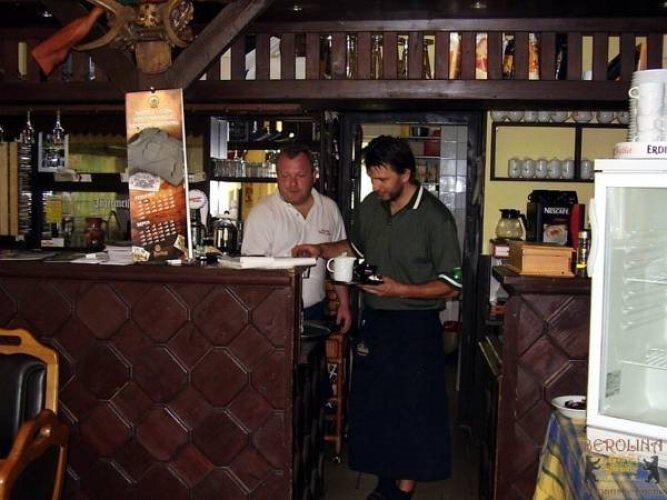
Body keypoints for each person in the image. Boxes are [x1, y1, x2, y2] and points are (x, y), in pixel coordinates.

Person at [293, 135, 461, 500]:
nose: (376, 186)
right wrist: (320, 249)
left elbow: (452, 286)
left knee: (413, 412)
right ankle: (385, 486)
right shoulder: (372, 205)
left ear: (406, 174)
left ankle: (402, 493)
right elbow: (353, 248)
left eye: (383, 179)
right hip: (377, 323)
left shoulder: (435, 217)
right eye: (373, 178)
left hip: (416, 329)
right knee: (380, 409)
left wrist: (400, 289)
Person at [241, 144, 352, 333]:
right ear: (277, 176)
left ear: (314, 175)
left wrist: (344, 303)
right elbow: (252, 273)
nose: (292, 184)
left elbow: (339, 260)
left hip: (315, 310)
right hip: (273, 311)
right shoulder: (262, 213)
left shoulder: (329, 209)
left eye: (300, 176)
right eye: (285, 176)